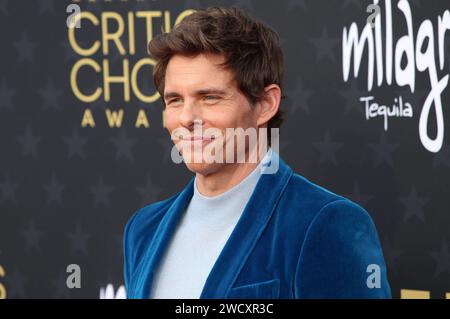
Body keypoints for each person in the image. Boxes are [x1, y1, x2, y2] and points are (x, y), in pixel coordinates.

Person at [123, 6, 391, 299]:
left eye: (209, 97)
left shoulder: (325, 224)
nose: (187, 118)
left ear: (265, 104)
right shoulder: (143, 229)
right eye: (174, 100)